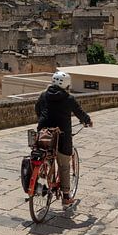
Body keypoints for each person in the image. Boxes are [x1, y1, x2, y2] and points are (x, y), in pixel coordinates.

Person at [35, 71, 93, 207]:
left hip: (44, 133)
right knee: (64, 165)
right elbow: (79, 113)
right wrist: (87, 121)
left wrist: (43, 121)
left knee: (46, 157)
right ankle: (66, 196)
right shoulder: (69, 98)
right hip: (62, 136)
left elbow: (37, 109)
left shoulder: (44, 95)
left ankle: (43, 179)